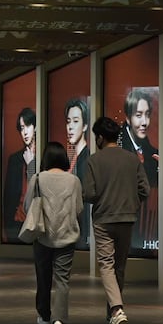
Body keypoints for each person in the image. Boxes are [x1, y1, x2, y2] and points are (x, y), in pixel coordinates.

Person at [82, 117, 150, 324]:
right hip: (127, 218)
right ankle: (112, 314)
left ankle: (117, 310)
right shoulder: (132, 159)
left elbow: (89, 193)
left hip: (103, 219)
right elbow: (145, 190)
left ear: (100, 138)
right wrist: (129, 199)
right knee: (119, 268)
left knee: (106, 265)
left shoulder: (94, 161)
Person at [24, 141, 83, 324]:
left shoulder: (38, 178)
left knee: (43, 277)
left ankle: (44, 315)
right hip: (66, 236)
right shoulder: (74, 180)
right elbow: (79, 208)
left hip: (42, 236)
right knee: (62, 279)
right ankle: (59, 320)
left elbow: (27, 206)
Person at [118, 89, 159, 252]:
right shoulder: (118, 149)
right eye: (139, 115)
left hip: (146, 231)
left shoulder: (154, 154)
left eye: (147, 114)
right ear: (128, 118)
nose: (144, 122)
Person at [3, 107, 37, 244]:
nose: (25, 132)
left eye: (28, 126)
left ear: (35, 127)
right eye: (22, 128)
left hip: (35, 221)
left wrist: (31, 164)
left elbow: (40, 188)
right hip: (16, 222)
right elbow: (8, 196)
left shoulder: (44, 156)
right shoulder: (15, 159)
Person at [65, 98, 91, 249]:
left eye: (75, 121)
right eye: (68, 121)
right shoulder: (74, 158)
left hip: (82, 228)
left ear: (85, 125)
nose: (70, 127)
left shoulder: (86, 158)